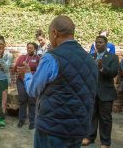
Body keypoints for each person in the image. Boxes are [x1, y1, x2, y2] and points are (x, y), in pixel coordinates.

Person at [24, 16, 98, 148]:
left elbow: (33, 90)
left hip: (51, 129)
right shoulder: (90, 60)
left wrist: (27, 74)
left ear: (54, 33)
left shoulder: (52, 58)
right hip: (78, 129)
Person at [83, 35, 119, 148]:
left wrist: (102, 67)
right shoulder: (91, 56)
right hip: (92, 92)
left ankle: (105, 142)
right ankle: (89, 137)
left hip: (106, 93)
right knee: (91, 115)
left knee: (105, 118)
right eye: (96, 42)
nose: (98, 44)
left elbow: (113, 72)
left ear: (106, 44)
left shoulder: (113, 57)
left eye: (100, 42)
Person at [14, 42, 40, 130]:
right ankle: (21, 120)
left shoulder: (38, 58)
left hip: (32, 82)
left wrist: (30, 71)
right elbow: (15, 68)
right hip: (21, 81)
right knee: (22, 100)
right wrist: (20, 68)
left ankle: (32, 122)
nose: (29, 49)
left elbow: (40, 71)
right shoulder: (22, 57)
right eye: (28, 47)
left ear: (35, 49)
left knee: (32, 102)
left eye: (31, 48)